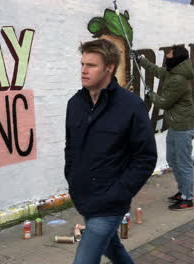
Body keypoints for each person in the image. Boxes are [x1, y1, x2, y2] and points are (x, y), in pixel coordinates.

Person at [65, 39, 157, 264]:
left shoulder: (131, 106)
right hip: (84, 197)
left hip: (110, 202)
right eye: (82, 64)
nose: (84, 71)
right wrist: (71, 175)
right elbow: (70, 146)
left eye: (91, 65)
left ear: (110, 67)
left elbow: (145, 158)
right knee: (112, 248)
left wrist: (120, 192)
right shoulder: (75, 104)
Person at [130, 45, 194, 210]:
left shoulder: (179, 79)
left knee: (183, 162)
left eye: (169, 54)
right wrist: (141, 60)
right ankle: (182, 192)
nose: (167, 56)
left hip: (182, 127)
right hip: (175, 125)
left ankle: (187, 198)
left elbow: (164, 102)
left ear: (176, 58)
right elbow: (158, 71)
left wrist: (150, 93)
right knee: (172, 159)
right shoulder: (174, 72)